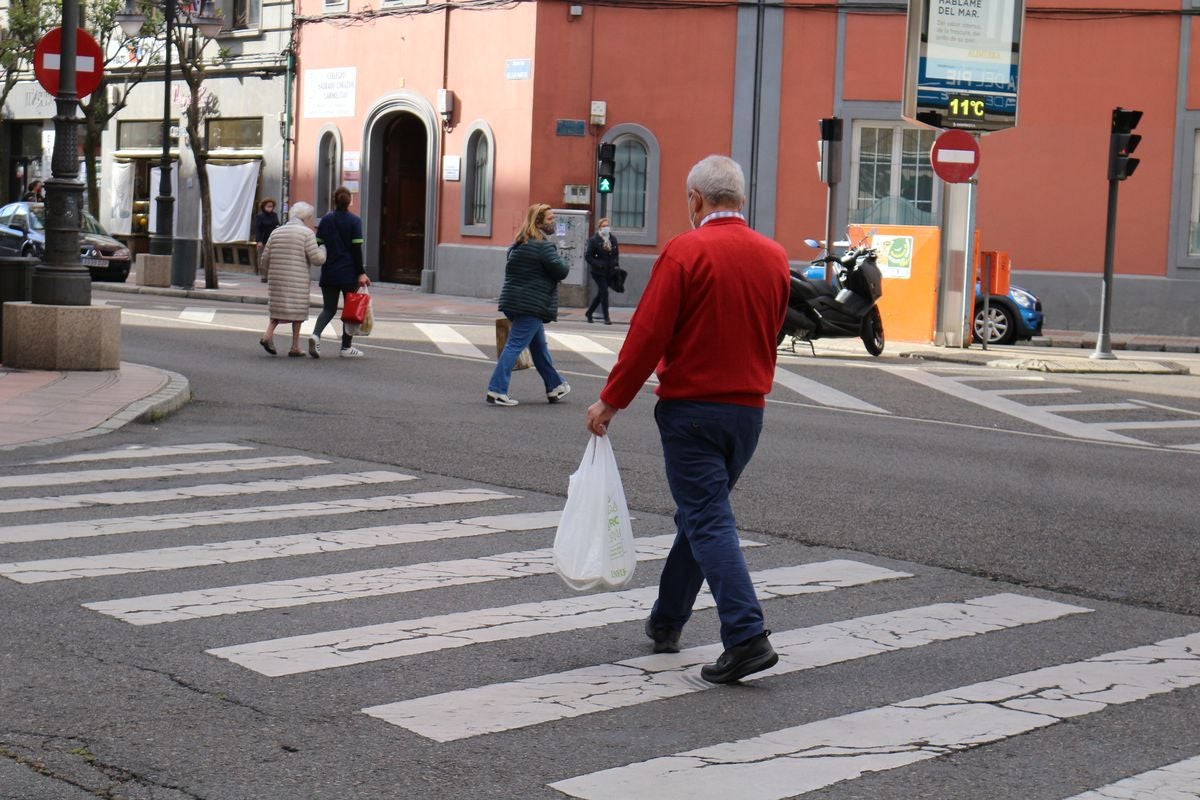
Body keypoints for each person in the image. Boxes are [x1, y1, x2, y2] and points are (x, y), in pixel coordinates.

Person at [585, 155, 790, 684]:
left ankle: (746, 635)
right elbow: (770, 331)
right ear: (739, 199)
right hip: (748, 413)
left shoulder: (685, 251)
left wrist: (611, 400)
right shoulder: (773, 256)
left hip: (693, 409)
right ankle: (667, 621)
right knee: (700, 516)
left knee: (707, 518)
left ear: (695, 199)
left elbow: (648, 335)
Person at [486, 203, 572, 406]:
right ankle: (497, 389)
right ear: (539, 222)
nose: (554, 222)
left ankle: (555, 386)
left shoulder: (518, 244)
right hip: (531, 305)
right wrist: (564, 259)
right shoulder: (544, 247)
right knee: (514, 345)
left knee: (539, 347)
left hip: (514, 302)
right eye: (550, 219)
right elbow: (561, 271)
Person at [310, 187, 370, 358]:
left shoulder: (325, 220)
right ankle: (346, 347)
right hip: (348, 272)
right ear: (349, 201)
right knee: (350, 309)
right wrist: (361, 272)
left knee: (328, 309)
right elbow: (356, 249)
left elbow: (319, 243)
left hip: (329, 271)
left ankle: (315, 335)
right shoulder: (354, 221)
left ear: (334, 200)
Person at [259, 202, 325, 357]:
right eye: (309, 217)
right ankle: (294, 346)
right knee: (297, 312)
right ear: (306, 217)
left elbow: (264, 259)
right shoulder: (306, 233)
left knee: (278, 309)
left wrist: (267, 273)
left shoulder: (277, 232)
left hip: (277, 278)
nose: (310, 220)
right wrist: (323, 248)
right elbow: (317, 259)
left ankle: (267, 335)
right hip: (297, 279)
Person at [584, 217, 619, 324]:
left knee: (601, 294)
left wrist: (616, 266)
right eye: (603, 226)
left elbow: (616, 255)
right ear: (599, 228)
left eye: (607, 225)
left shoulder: (613, 239)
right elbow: (588, 256)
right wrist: (597, 264)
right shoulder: (594, 240)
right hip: (598, 271)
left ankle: (589, 313)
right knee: (604, 292)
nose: (606, 228)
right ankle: (606, 317)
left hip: (609, 271)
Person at [254, 198, 281, 275]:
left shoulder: (274, 215)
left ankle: (270, 274)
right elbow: (257, 229)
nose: (270, 208)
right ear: (264, 206)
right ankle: (263, 275)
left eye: (271, 206)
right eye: (268, 206)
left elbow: (277, 225)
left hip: (273, 239)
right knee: (262, 257)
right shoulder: (260, 216)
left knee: (272, 257)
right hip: (262, 240)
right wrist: (258, 241)